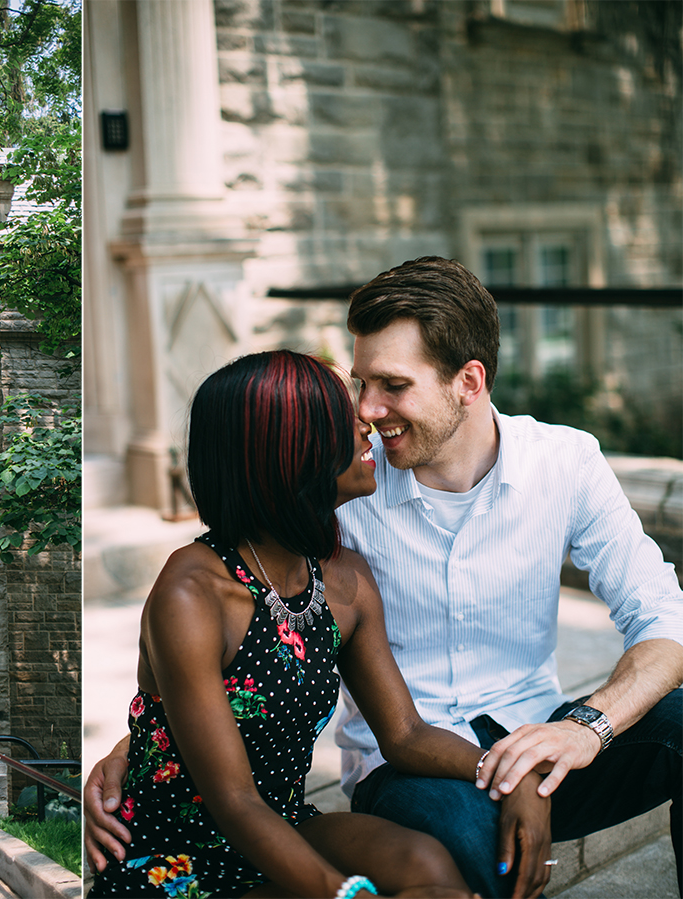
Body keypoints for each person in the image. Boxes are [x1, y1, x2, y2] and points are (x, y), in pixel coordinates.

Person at [87, 257, 683, 899]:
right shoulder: (343, 498)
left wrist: (575, 733)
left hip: (535, 734)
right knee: (462, 851)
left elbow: (663, 616)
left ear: (469, 381)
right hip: (406, 774)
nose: (368, 412)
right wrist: (146, 737)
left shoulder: (564, 464)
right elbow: (232, 656)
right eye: (359, 385)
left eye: (392, 385)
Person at [89, 348, 528, 899]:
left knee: (426, 863)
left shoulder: (344, 580)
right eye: (346, 421)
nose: (368, 424)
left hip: (286, 821)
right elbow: (234, 801)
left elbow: (405, 734)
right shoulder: (194, 593)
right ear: (295, 451)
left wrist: (508, 774)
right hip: (179, 856)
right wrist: (346, 893)